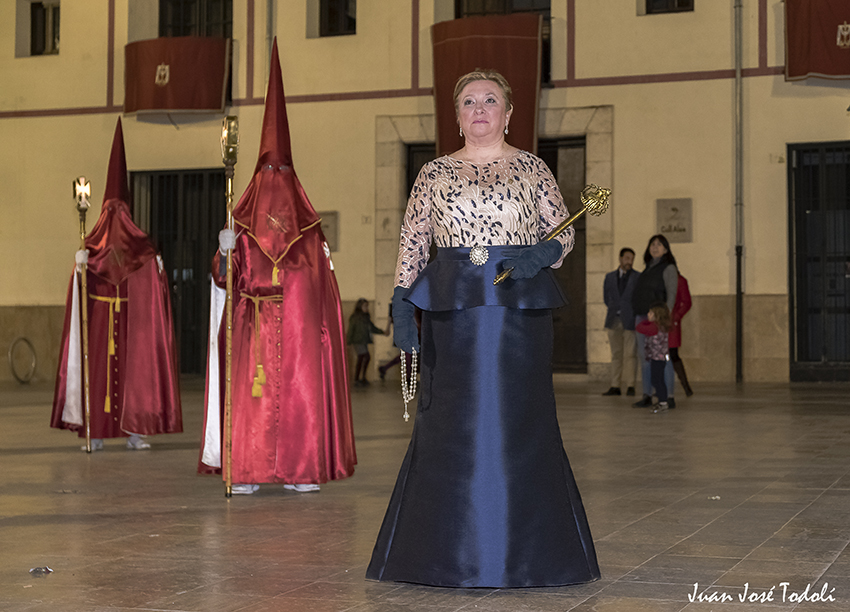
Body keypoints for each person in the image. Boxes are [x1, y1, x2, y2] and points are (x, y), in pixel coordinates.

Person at [366, 69, 600, 588]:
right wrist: (402, 307)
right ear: (455, 115)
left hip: (517, 311)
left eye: (489, 100)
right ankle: (446, 552)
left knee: (519, 424)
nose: (479, 109)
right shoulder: (432, 173)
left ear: (508, 112)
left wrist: (545, 251)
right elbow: (412, 245)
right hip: (454, 315)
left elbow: (563, 236)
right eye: (468, 101)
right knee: (451, 425)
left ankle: (524, 550)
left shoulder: (534, 169)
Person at [198, 40, 356, 495]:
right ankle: (245, 469)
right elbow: (224, 279)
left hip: (297, 333)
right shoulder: (240, 224)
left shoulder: (309, 232)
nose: (274, 182)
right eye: (267, 171)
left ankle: (301, 467)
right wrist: (224, 253)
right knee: (250, 400)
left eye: (281, 171)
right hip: (250, 325)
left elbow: (320, 291)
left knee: (299, 395)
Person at [51, 118, 182, 451]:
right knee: (97, 376)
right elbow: (79, 289)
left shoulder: (143, 249)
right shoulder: (91, 247)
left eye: (119, 208)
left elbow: (154, 284)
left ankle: (135, 430)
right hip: (99, 324)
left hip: (130, 327)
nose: (115, 214)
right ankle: (94, 431)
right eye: (110, 208)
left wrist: (156, 269)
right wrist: (79, 270)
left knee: (134, 376)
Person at [631, 234, 678, 409]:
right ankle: (647, 394)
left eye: (659, 244)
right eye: (652, 244)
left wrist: (664, 319)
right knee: (645, 358)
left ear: (666, 249)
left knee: (662, 358)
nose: (655, 247)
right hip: (643, 317)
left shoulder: (668, 268)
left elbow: (671, 294)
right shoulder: (647, 269)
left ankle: (669, 396)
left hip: (657, 320)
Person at [602, 247, 640, 396]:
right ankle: (615, 385)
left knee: (631, 354)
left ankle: (631, 385)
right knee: (616, 354)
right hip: (613, 320)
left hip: (630, 320)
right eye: (627, 258)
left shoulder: (637, 277)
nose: (629, 261)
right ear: (620, 259)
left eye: (631, 259)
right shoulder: (610, 277)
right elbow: (606, 297)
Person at [635, 303, 672, 413]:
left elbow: (639, 327)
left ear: (656, 316)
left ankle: (663, 402)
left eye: (651, 313)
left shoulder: (654, 327)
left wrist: (646, 322)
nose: (648, 314)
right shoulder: (660, 326)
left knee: (657, 381)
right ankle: (662, 401)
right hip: (659, 357)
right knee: (657, 380)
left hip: (657, 358)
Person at [347, 298, 386, 386]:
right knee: (364, 357)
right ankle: (359, 378)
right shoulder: (355, 317)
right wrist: (348, 342)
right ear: (360, 307)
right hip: (357, 341)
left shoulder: (366, 317)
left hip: (363, 341)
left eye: (367, 306)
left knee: (362, 358)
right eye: (365, 306)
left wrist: (382, 332)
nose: (366, 308)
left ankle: (361, 377)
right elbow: (351, 330)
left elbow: (372, 328)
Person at [670, 273, 694, 396]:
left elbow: (686, 301)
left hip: (671, 323)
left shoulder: (679, 280)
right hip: (660, 322)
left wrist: (677, 316)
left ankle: (685, 386)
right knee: (663, 355)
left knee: (673, 355)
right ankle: (663, 386)